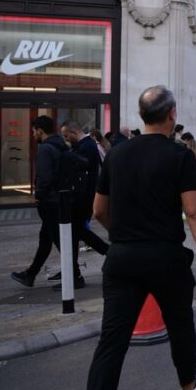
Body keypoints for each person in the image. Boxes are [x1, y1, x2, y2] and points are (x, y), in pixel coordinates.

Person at [84, 85, 196, 390]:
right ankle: (188, 386)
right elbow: (195, 211)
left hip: (122, 257)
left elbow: (99, 210)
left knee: (112, 339)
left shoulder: (116, 154)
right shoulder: (179, 156)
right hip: (165, 255)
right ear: (172, 114)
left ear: (142, 116)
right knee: (179, 323)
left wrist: (125, 233)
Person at [11, 115, 81, 289]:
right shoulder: (61, 146)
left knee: (59, 239)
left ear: (40, 131)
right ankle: (31, 274)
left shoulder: (45, 149)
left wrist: (38, 195)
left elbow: (44, 176)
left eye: (34, 131)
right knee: (47, 238)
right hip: (61, 199)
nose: (33, 134)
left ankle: (75, 276)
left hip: (50, 201)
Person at [61, 121, 111, 287]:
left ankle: (74, 274)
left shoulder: (87, 146)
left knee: (77, 232)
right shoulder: (85, 146)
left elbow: (86, 170)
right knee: (77, 233)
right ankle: (72, 273)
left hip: (83, 199)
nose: (66, 139)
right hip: (82, 198)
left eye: (67, 136)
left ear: (74, 132)